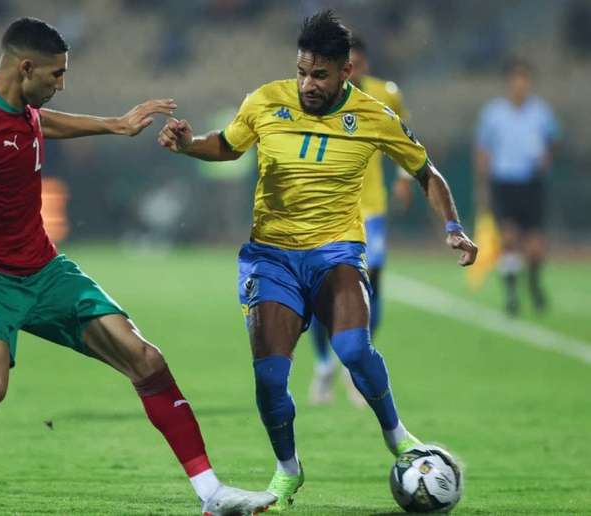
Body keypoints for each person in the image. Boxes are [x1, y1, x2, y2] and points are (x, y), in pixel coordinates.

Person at [0, 17, 275, 516]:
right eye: (56, 75)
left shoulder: (21, 105)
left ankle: (212, 494)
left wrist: (113, 124)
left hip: (45, 270)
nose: (62, 84)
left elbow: (42, 122)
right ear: (25, 68)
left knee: (146, 360)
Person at [158, 10, 477, 510]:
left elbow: (426, 172)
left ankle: (398, 437)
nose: (307, 83)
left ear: (345, 72)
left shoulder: (374, 115)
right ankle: (288, 469)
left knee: (352, 349)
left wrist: (454, 228)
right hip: (271, 257)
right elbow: (225, 145)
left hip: (337, 251)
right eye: (302, 71)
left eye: (319, 75)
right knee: (269, 378)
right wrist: (187, 145)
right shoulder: (265, 99)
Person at [307, 35, 414, 407]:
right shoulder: (316, 98)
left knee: (372, 287)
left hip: (371, 210)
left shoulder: (385, 94)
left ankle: (356, 363)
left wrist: (403, 177)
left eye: (357, 65)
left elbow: (402, 137)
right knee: (321, 291)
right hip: (327, 211)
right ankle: (323, 366)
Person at [474, 59, 559, 316]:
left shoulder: (541, 113)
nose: (520, 85)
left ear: (529, 83)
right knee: (509, 239)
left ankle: (533, 281)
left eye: (524, 80)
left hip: (532, 183)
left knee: (535, 246)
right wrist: (482, 184)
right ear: (509, 83)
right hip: (504, 182)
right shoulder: (493, 113)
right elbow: (483, 150)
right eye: (515, 80)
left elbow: (553, 140)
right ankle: (511, 293)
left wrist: (547, 157)